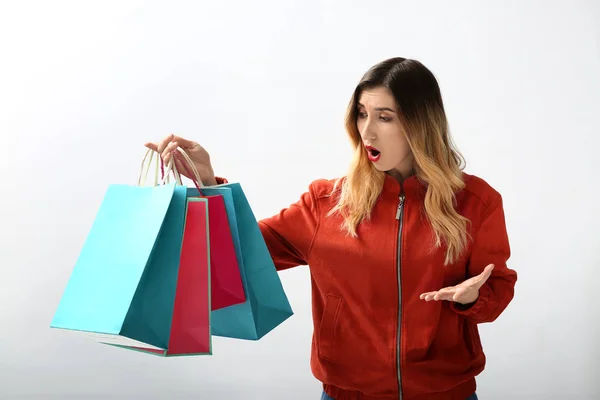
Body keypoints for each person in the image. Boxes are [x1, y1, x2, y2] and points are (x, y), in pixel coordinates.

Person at [145, 57, 517, 400]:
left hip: (446, 393)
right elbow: (241, 255)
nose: (367, 131)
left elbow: (496, 292)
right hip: (346, 394)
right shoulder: (327, 202)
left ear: (420, 123)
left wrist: (470, 298)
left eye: (384, 117)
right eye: (361, 114)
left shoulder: (475, 203)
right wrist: (209, 184)